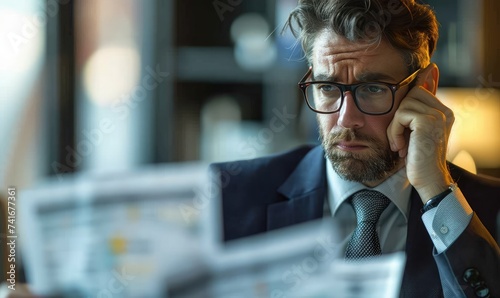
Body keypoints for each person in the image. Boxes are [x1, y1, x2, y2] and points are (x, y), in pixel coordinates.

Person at [211, 0, 500, 297]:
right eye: (327, 88)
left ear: (425, 89)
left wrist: (437, 192)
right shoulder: (224, 199)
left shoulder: (491, 213)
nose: (346, 119)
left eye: (373, 89)